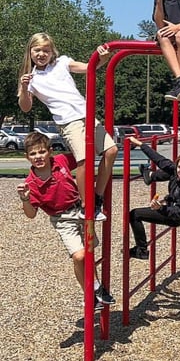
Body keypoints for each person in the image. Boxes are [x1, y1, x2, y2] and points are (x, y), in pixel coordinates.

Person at [17, 32, 118, 221]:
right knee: (84, 160)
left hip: (86, 115)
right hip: (68, 121)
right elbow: (25, 106)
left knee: (111, 150)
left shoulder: (62, 62)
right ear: (30, 52)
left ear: (52, 51)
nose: (41, 54)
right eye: (37, 50)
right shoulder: (31, 78)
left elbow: (89, 68)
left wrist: (103, 58)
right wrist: (23, 88)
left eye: (45, 50)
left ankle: (96, 197)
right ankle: (85, 206)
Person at [16, 132, 116, 311]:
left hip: (81, 211)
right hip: (62, 219)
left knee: (89, 252)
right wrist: (25, 199)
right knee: (80, 255)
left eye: (41, 152)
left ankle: (96, 290)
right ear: (27, 157)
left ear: (50, 152)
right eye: (33, 154)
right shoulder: (31, 184)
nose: (38, 157)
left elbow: (84, 159)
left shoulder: (60, 161)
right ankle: (89, 292)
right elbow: (31, 215)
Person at [128, 137, 180, 259]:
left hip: (179, 217)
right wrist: (141, 144)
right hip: (174, 206)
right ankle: (151, 175)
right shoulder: (177, 172)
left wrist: (161, 208)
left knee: (135, 214)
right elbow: (159, 159)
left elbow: (178, 214)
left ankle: (141, 250)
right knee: (169, 170)